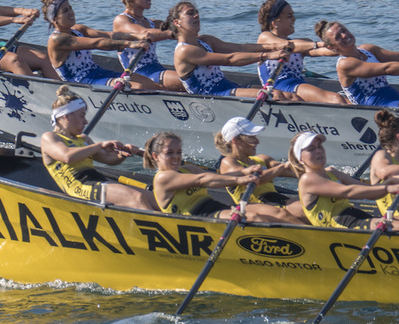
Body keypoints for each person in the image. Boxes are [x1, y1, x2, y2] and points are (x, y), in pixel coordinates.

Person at [41, 86, 157, 211]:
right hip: (79, 186)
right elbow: (67, 156)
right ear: (66, 116)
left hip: (97, 181)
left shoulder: (83, 139)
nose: (85, 121)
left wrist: (122, 154)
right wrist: (99, 145)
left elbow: (108, 159)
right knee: (136, 198)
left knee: (154, 199)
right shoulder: (50, 138)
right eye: (82, 116)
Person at [288, 131, 399, 231]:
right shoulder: (307, 179)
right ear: (301, 158)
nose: (318, 151)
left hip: (356, 218)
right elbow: (347, 192)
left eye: (319, 146)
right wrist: (387, 189)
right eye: (311, 149)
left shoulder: (332, 173)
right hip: (340, 228)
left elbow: (369, 193)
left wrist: (390, 182)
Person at [144, 131, 298, 223]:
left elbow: (216, 177)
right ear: (156, 156)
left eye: (178, 152)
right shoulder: (162, 178)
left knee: (269, 216)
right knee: (255, 218)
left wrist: (244, 172)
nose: (176, 157)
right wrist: (240, 180)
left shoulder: (188, 169)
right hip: (197, 218)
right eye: (169, 153)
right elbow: (202, 180)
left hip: (215, 208)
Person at [166, 1, 300, 100]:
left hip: (228, 88)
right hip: (211, 98)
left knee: (291, 96)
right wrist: (268, 55)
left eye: (196, 13)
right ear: (177, 22)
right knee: (275, 95)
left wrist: (276, 46)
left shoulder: (205, 40)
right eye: (190, 13)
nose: (196, 16)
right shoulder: (184, 50)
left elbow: (240, 48)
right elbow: (230, 59)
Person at [41, 0, 161, 89]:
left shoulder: (78, 29)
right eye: (65, 11)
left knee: (152, 84)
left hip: (99, 73)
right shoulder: (57, 39)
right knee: (138, 87)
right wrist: (129, 44)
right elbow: (97, 43)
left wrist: (136, 36)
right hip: (81, 83)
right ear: (55, 20)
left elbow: (109, 35)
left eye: (70, 8)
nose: (71, 12)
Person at [214, 117, 307, 223]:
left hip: (273, 198)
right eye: (251, 137)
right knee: (282, 214)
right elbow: (257, 179)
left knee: (306, 209)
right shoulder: (228, 162)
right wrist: (282, 166)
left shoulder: (262, 158)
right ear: (235, 140)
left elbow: (292, 170)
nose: (257, 141)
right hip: (249, 204)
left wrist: (318, 170)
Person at [255, 0, 348, 104]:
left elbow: (322, 51)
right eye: (289, 16)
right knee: (336, 99)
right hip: (279, 86)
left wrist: (345, 48)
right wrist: (317, 44)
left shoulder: (301, 44)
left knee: (346, 101)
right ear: (275, 22)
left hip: (298, 85)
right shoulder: (265, 38)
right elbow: (291, 46)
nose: (294, 19)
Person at [110, 0, 183, 91]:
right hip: (140, 75)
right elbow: (145, 33)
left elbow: (179, 29)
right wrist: (175, 33)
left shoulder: (153, 23)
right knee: (186, 80)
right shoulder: (121, 20)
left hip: (157, 70)